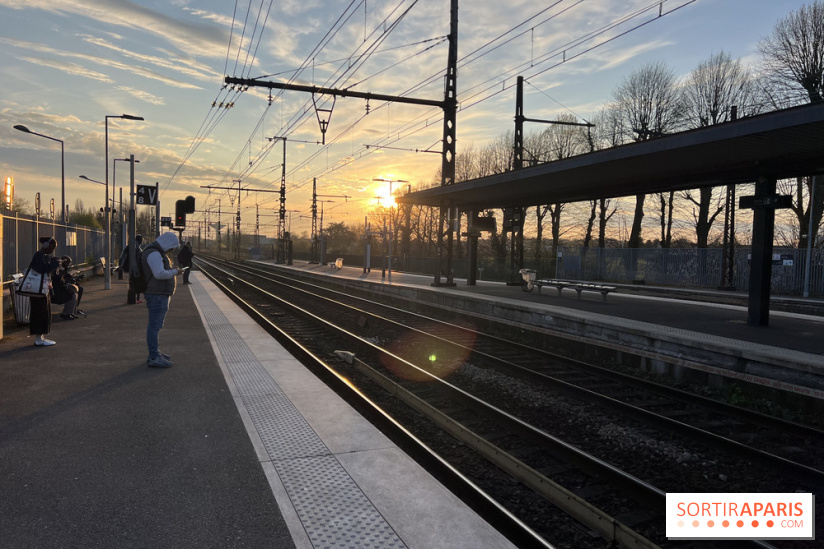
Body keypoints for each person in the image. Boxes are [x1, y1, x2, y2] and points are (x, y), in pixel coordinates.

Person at [142, 232, 184, 368]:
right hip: (157, 295)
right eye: (171, 248)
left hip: (159, 294)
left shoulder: (155, 252)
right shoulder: (154, 253)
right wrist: (174, 272)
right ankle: (154, 357)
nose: (170, 251)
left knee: (155, 326)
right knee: (154, 326)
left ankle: (155, 353)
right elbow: (159, 274)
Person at [28, 236, 61, 346]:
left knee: (43, 312)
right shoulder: (39, 256)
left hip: (41, 289)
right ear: (46, 245)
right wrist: (54, 264)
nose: (52, 250)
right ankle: (38, 338)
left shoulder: (43, 256)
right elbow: (42, 269)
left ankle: (40, 336)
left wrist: (54, 261)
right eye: (52, 247)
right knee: (39, 312)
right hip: (38, 290)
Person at [51, 256, 85, 320]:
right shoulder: (56, 271)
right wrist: (68, 281)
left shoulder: (62, 270)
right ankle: (66, 313)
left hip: (60, 289)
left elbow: (66, 277)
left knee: (78, 290)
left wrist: (75, 279)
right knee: (72, 295)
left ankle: (72, 310)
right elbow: (60, 281)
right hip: (56, 292)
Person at [119, 234, 144, 303]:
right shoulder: (137, 247)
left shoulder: (130, 245)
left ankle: (135, 298)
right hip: (135, 267)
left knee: (133, 281)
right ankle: (136, 298)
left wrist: (121, 264)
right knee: (137, 282)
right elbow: (139, 257)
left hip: (129, 266)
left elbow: (123, 255)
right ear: (140, 240)